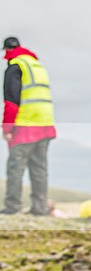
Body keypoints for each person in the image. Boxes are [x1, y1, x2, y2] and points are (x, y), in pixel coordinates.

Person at [2, 37, 57, 215]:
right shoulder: (36, 66)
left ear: (7, 51)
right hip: (46, 124)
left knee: (15, 167)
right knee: (39, 168)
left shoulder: (15, 67)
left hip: (26, 126)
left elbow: (11, 102)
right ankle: (39, 208)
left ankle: (12, 206)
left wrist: (7, 128)